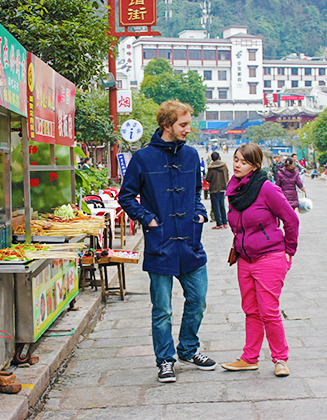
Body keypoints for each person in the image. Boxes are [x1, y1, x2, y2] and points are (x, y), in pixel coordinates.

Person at [118, 100, 216, 383]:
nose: (188, 129)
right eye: (183, 124)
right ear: (167, 125)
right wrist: (147, 218)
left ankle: (188, 348)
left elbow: (198, 192)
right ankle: (165, 360)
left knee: (198, 300)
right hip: (160, 243)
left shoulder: (191, 156)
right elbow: (126, 196)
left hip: (190, 242)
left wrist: (199, 214)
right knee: (162, 309)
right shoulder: (143, 158)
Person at [221, 143, 299, 377]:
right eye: (235, 159)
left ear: (255, 166)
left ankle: (280, 359)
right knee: (251, 310)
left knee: (269, 310)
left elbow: (291, 220)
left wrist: (289, 251)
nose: (237, 164)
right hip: (245, 258)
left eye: (243, 161)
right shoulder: (234, 190)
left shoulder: (267, 188)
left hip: (270, 256)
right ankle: (249, 357)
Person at [205, 151, 229, 229]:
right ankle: (225, 222)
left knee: (216, 207)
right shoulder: (224, 166)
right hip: (222, 188)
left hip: (214, 189)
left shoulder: (211, 168)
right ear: (219, 157)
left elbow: (208, 179)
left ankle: (219, 223)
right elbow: (227, 176)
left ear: (212, 159)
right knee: (222, 206)